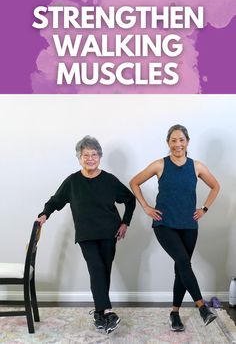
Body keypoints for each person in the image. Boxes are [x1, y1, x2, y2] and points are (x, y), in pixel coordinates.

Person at [37, 135, 136, 334]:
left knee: (103, 272)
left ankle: (99, 315)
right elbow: (56, 200)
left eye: (94, 154)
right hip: (86, 234)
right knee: (97, 268)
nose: (90, 158)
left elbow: (130, 199)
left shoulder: (109, 180)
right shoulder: (73, 181)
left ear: (99, 156)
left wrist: (125, 222)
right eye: (85, 155)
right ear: (79, 158)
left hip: (110, 232)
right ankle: (108, 311)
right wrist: (44, 214)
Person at [130, 124, 220, 332]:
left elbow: (216, 186)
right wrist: (146, 207)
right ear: (168, 143)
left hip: (189, 224)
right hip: (164, 223)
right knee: (182, 261)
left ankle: (174, 313)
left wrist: (204, 208)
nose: (177, 144)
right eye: (173, 140)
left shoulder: (196, 167)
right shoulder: (160, 165)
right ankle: (202, 307)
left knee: (182, 267)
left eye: (181, 140)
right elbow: (134, 182)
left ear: (187, 142)